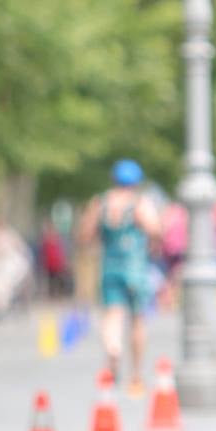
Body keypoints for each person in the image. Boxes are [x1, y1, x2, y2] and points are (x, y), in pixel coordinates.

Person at [78, 159, 160, 396]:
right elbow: (155, 229)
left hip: (109, 266)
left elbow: (85, 234)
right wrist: (152, 241)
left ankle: (113, 349)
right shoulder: (139, 203)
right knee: (137, 320)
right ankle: (136, 374)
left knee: (113, 315)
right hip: (135, 268)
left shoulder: (100, 203)